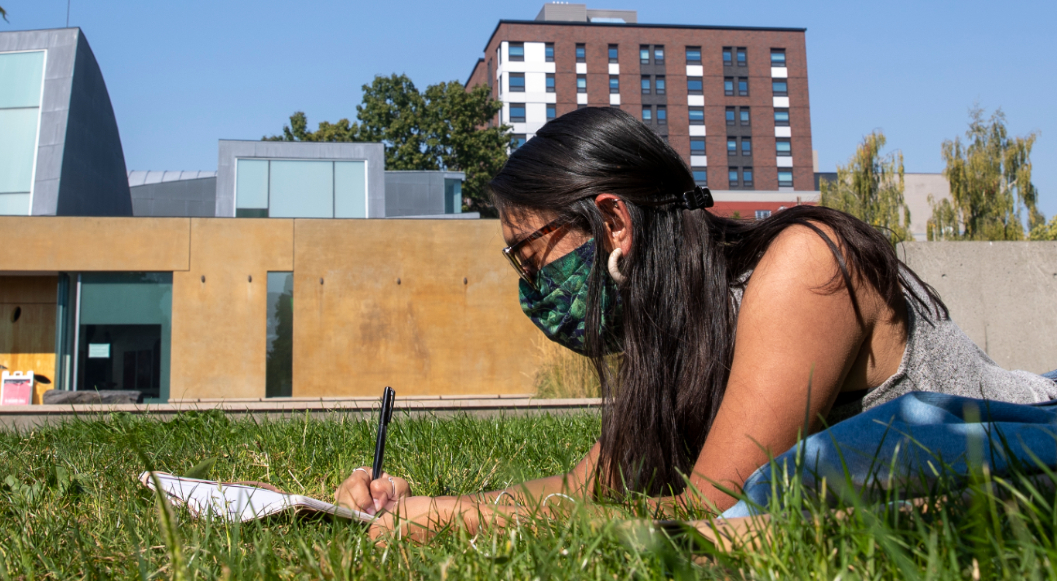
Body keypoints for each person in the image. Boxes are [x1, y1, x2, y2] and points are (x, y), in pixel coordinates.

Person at [335, 107, 1057, 540]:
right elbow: (587, 487)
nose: (528, 286)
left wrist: (461, 524)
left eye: (527, 255)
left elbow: (710, 506)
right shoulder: (680, 331)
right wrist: (425, 504)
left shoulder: (802, 267)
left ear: (613, 221)